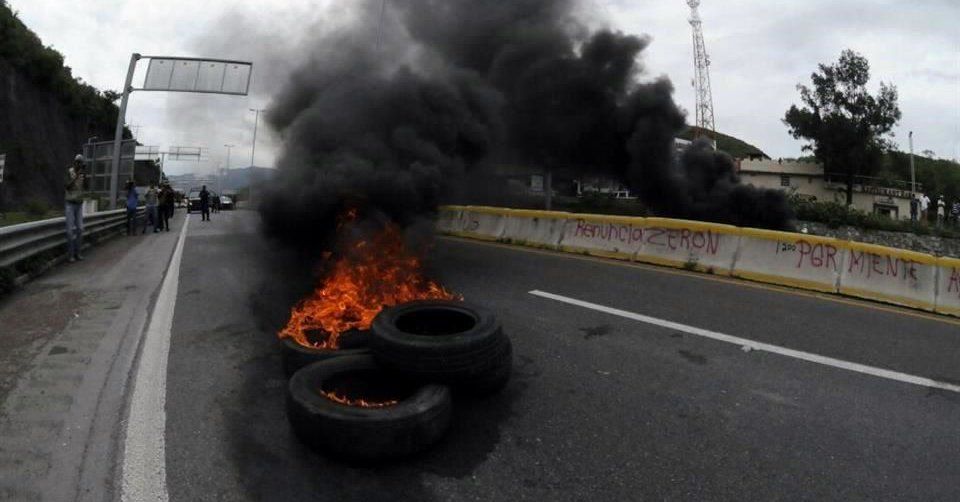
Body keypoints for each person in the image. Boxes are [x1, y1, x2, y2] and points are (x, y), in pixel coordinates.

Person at [64, 154, 86, 262]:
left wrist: (83, 176)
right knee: (69, 231)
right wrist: (76, 176)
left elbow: (85, 186)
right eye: (78, 162)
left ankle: (78, 253)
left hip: (79, 203)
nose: (79, 164)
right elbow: (66, 186)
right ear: (75, 162)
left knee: (80, 229)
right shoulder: (69, 172)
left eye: (81, 163)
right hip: (70, 203)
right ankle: (71, 255)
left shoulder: (83, 174)